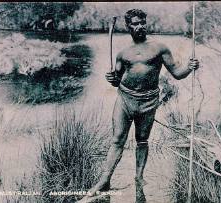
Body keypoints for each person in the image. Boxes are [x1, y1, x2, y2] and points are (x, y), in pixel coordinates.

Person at [81, 8, 199, 201]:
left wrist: (190, 67)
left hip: (148, 101)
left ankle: (138, 178)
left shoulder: (159, 48)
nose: (139, 26)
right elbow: (116, 80)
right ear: (128, 27)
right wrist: (111, 78)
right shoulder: (122, 53)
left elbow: (177, 72)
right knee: (117, 140)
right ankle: (103, 181)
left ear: (146, 23)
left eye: (142, 22)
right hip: (125, 99)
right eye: (135, 24)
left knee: (142, 141)